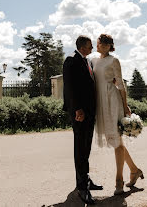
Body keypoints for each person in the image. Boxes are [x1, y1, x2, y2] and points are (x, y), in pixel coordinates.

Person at [92, 34, 144, 195]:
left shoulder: (114, 61)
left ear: (109, 46)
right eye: (99, 43)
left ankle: (119, 182)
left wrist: (125, 104)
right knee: (114, 140)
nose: (100, 45)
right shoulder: (93, 61)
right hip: (100, 102)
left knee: (116, 139)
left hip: (112, 100)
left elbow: (120, 84)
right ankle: (135, 170)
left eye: (103, 44)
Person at [63, 35, 103, 205]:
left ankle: (86, 180)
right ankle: (81, 188)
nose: (92, 48)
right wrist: (77, 108)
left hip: (89, 111)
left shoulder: (86, 61)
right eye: (90, 46)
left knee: (86, 147)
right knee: (80, 148)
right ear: (82, 47)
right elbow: (70, 87)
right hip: (80, 112)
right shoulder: (71, 60)